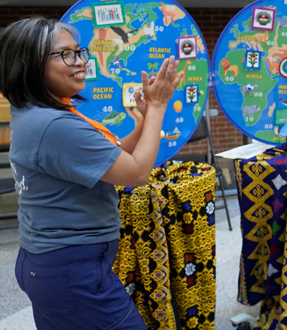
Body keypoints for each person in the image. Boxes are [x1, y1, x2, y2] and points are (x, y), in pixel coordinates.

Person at [1, 17, 183, 330]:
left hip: (49, 266)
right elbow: (137, 173)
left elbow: (109, 160)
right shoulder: (55, 126)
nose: (81, 62)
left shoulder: (35, 114)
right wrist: (157, 107)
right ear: (29, 64)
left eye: (79, 52)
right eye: (65, 55)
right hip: (72, 274)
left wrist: (141, 123)